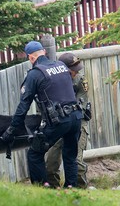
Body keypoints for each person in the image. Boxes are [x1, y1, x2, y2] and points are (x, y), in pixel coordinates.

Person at [1, 41, 83, 187]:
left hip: (59, 121)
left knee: (34, 154)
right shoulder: (62, 66)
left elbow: (23, 106)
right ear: (44, 52)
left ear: (31, 58)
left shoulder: (35, 74)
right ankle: (72, 189)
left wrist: (12, 130)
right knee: (70, 156)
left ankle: (42, 190)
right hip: (76, 117)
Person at [45, 52, 91, 188]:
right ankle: (53, 192)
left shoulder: (80, 81)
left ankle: (80, 191)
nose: (76, 73)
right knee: (51, 163)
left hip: (78, 121)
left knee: (76, 162)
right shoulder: (52, 81)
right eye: (73, 70)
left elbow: (81, 105)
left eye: (78, 70)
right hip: (59, 123)